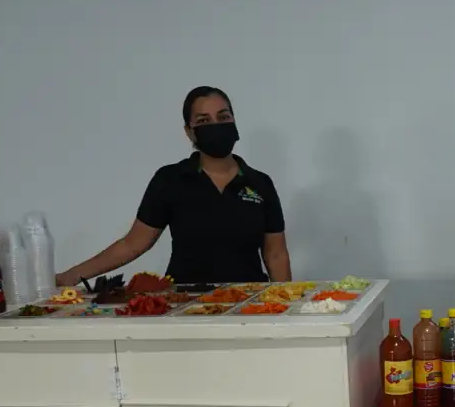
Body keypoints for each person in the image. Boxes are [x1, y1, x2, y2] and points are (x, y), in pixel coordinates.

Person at [56, 86, 291, 287]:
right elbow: (132, 244)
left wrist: (288, 305)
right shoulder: (170, 179)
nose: (216, 125)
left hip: (249, 304)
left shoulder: (260, 183)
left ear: (234, 121)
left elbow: (276, 254)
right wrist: (68, 277)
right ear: (189, 132)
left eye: (223, 117)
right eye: (203, 120)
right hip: (184, 306)